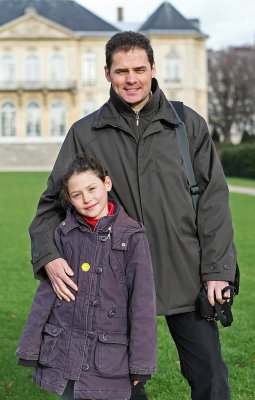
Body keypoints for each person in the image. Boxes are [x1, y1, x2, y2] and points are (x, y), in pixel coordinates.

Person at [28, 31, 238, 400]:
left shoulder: (188, 124)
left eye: (139, 69)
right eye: (121, 71)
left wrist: (218, 272)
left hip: (185, 271)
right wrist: (49, 255)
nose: (131, 79)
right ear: (107, 73)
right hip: (114, 279)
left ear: (153, 69)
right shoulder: (84, 133)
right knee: (115, 383)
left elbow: (214, 202)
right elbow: (51, 204)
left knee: (210, 377)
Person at [16, 154, 157, 400]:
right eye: (77, 194)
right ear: (69, 199)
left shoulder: (133, 236)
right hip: (66, 351)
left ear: (107, 184)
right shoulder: (64, 233)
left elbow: (143, 304)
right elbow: (47, 293)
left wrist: (142, 364)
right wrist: (30, 346)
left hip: (108, 355)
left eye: (92, 188)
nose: (87, 199)